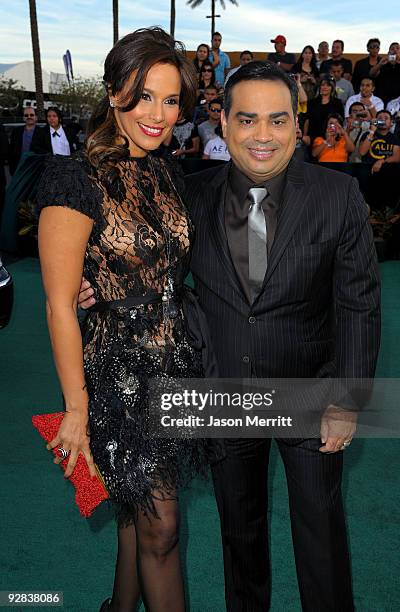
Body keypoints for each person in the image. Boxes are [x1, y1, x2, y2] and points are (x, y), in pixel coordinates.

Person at [79, 60, 381, 612]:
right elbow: (147, 258)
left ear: (297, 121)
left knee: (321, 536)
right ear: (222, 123)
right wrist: (97, 283)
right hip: (223, 391)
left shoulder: (339, 197)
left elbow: (358, 303)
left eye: (277, 120)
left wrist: (350, 396)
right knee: (240, 538)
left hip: (309, 393)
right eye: (247, 120)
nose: (262, 136)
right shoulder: (189, 194)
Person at [37, 27, 209, 612]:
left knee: (136, 514)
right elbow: (59, 303)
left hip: (174, 368)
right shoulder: (73, 179)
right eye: (143, 96)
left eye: (170, 100)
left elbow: (162, 265)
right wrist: (77, 412)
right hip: (118, 376)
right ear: (113, 93)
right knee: (162, 529)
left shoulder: (166, 173)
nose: (158, 115)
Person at [302, 74, 344, 144]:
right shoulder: (311, 102)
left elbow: (340, 122)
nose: (325, 87)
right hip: (312, 137)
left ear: (332, 88)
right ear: (319, 87)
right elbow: (307, 121)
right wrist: (305, 136)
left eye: (328, 85)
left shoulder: (338, 103)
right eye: (323, 85)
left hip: (330, 137)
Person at [8, 106, 39, 174]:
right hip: (19, 169)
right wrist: (12, 169)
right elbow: (11, 151)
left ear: (36, 117)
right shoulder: (16, 131)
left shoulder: (42, 133)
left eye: (31, 115)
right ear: (23, 118)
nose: (29, 117)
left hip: (36, 169)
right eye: (26, 115)